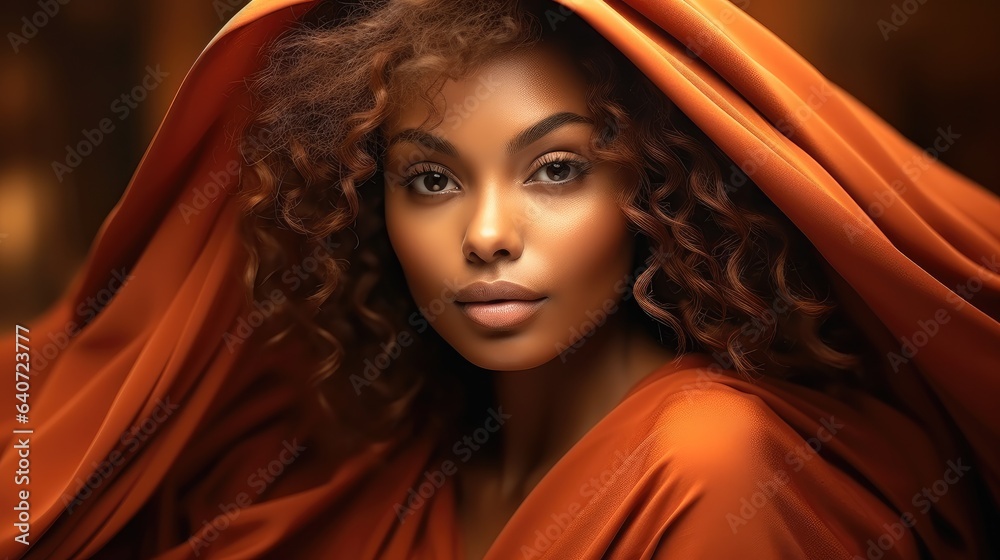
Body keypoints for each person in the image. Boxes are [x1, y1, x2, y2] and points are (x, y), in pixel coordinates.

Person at [2, 0, 998, 559]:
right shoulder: (385, 468)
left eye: (554, 170)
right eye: (430, 178)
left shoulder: (713, 469)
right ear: (369, 206)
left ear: (651, 190)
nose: (485, 234)